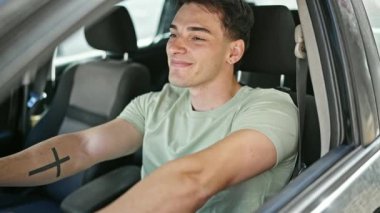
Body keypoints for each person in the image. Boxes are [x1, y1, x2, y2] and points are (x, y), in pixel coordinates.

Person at [0, 0, 298, 212]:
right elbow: (83, 146)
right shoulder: (156, 103)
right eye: (173, 33)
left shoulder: (272, 109)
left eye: (196, 36)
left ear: (233, 52)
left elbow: (193, 180)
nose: (175, 46)